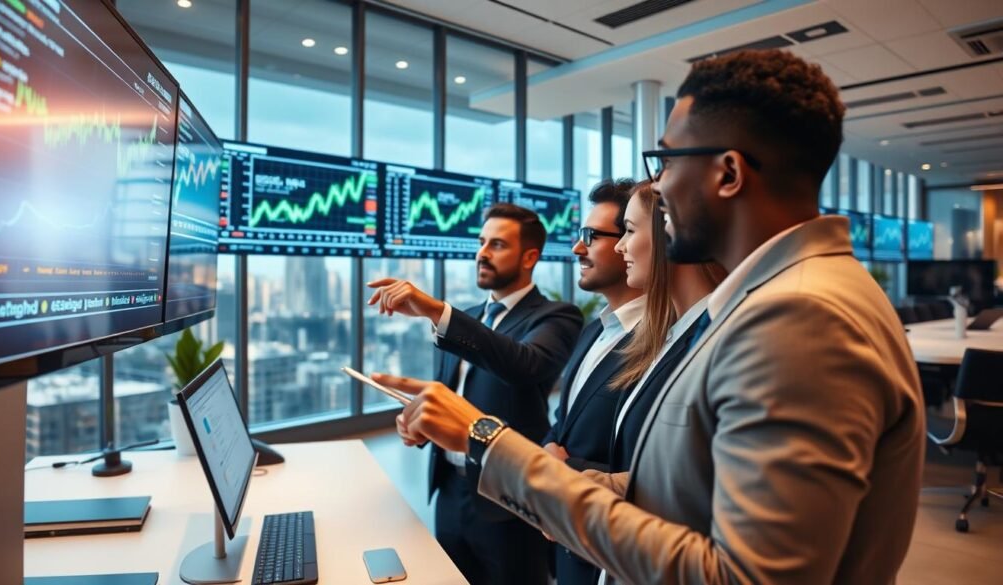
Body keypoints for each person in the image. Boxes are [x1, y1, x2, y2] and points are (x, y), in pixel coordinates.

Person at [377, 49, 925, 585]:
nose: (657, 187)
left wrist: (486, 441)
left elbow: (741, 575)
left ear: (728, 173)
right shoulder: (781, 298)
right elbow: (689, 500)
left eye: (664, 161)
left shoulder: (799, 316)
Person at [367, 202, 582, 585]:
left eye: (497, 244)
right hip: (450, 491)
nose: (482, 252)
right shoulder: (466, 318)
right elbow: (449, 397)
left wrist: (438, 311)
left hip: (507, 502)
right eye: (482, 242)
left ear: (530, 256)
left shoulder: (555, 317)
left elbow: (522, 364)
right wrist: (418, 424)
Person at [541, 179, 644, 585]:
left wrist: (566, 469)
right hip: (567, 544)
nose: (577, 249)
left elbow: (652, 466)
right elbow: (563, 421)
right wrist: (548, 450)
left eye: (591, 236)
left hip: (610, 553)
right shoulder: (594, 331)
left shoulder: (660, 343)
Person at [608, 181, 725, 473]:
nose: (619, 245)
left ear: (670, 233)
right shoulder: (666, 335)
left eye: (630, 230)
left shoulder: (710, 338)